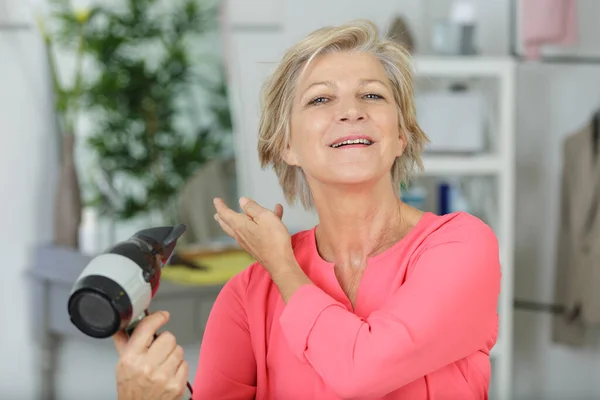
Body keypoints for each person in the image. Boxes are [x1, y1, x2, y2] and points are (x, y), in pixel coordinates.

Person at [112, 19, 501, 400]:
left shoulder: (461, 246)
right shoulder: (248, 295)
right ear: (287, 145)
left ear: (401, 135)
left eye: (372, 95)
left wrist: (282, 267)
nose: (351, 111)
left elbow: (361, 372)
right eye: (320, 99)